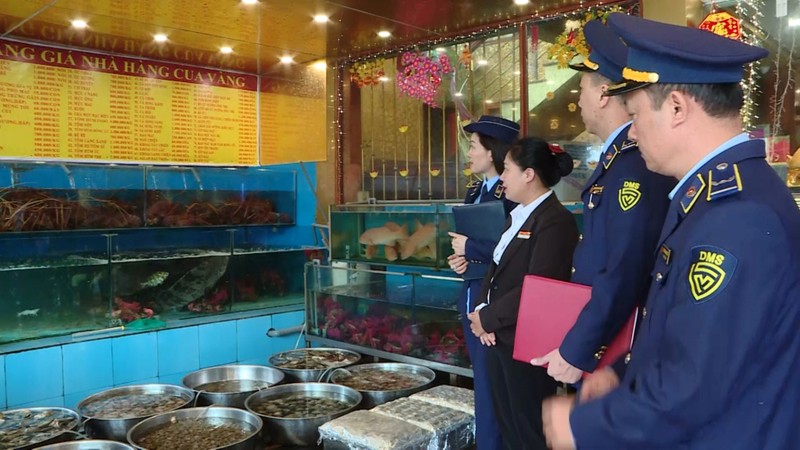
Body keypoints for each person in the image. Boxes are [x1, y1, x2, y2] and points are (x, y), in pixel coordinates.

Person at [542, 13, 800, 449]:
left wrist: (585, 425)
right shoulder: (712, 197)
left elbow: (694, 385)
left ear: (678, 107)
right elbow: (691, 336)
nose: (634, 129)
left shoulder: (738, 216)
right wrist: (623, 374)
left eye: (637, 113)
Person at [531, 19, 674, 383]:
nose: (578, 100)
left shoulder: (633, 165)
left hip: (615, 347)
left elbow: (624, 267)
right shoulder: (618, 160)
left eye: (581, 88)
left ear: (602, 93)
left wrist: (580, 347)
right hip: (604, 338)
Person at [467, 137, 578, 450]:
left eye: (507, 170)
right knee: (508, 425)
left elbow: (538, 286)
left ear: (528, 174)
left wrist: (488, 318)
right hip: (498, 337)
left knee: (529, 431)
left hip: (526, 344)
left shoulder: (555, 221)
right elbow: (495, 270)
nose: (502, 177)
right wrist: (480, 312)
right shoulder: (517, 216)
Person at [447, 115, 518, 450]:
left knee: (495, 389)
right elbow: (471, 243)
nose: (469, 152)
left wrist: (471, 247)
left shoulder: (512, 192)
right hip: (471, 293)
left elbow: (517, 251)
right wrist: (461, 259)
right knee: (483, 384)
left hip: (496, 301)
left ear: (492, 152)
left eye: (473, 146)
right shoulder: (474, 190)